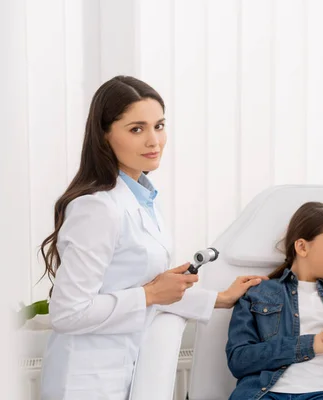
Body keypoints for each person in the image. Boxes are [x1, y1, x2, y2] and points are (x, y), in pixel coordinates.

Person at [38, 76, 266, 400]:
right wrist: (149, 293)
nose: (153, 140)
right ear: (104, 135)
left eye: (159, 126)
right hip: (84, 381)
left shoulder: (144, 198)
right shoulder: (95, 208)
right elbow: (67, 312)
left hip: (124, 369)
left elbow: (143, 289)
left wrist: (219, 298)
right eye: (136, 129)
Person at [225, 202, 323, 400]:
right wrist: (312, 344)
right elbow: (239, 361)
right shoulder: (256, 293)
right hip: (263, 394)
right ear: (302, 247)